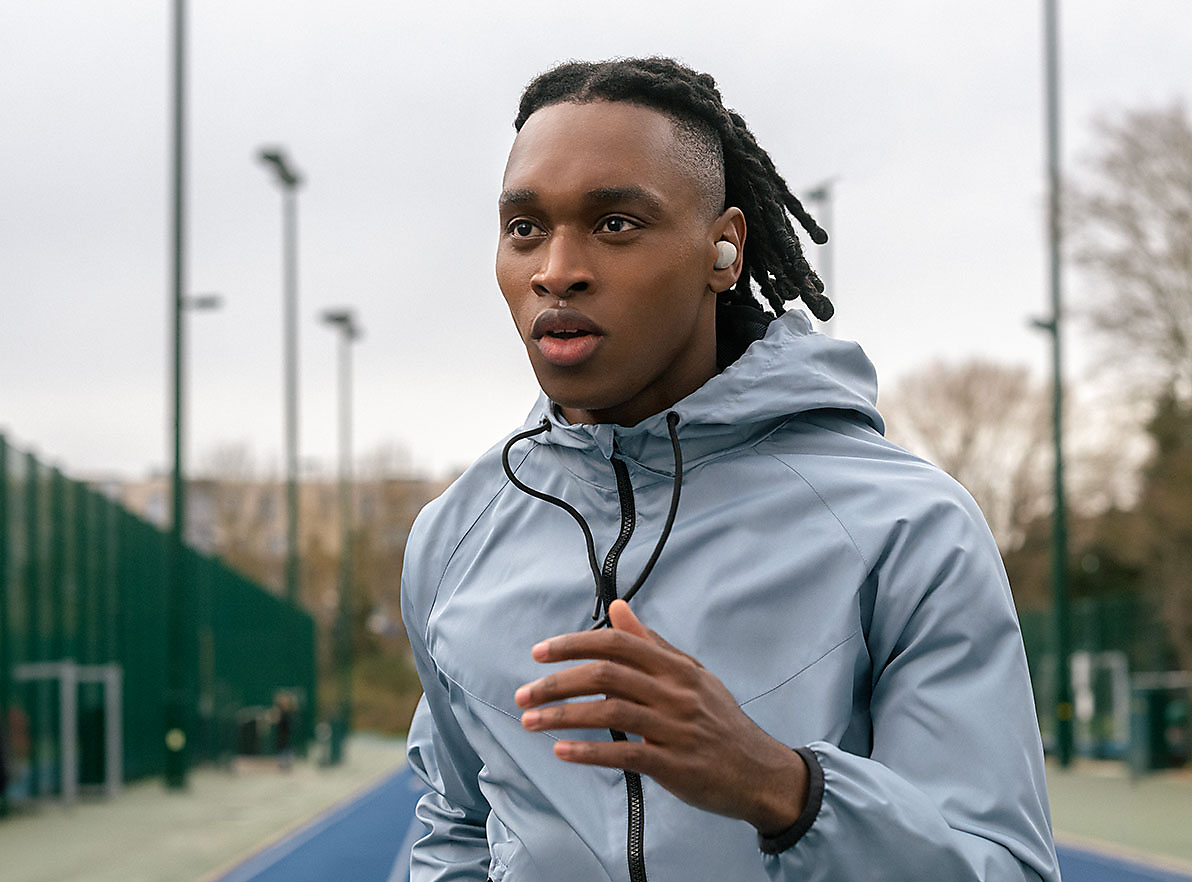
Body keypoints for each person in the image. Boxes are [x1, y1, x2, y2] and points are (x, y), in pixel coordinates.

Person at [402, 57, 1060, 881]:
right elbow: (458, 829)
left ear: (724, 249)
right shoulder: (452, 540)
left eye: (615, 223)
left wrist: (785, 792)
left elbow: (1006, 868)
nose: (556, 269)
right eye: (526, 228)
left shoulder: (907, 525)